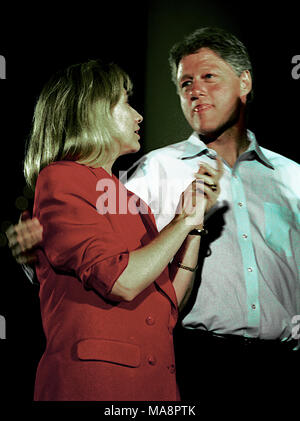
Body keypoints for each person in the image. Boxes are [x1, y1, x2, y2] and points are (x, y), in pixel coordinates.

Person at [7, 27, 300, 403]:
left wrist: (193, 224)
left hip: (250, 364)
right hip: (185, 364)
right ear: (93, 111)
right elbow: (102, 267)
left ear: (245, 82)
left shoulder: (293, 176)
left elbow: (163, 297)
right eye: (185, 82)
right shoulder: (147, 171)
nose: (195, 89)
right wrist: (32, 258)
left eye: (209, 76)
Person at [6, 59, 222, 401]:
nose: (138, 116)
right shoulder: (61, 178)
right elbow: (122, 281)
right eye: (125, 101)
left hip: (157, 391)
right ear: (91, 111)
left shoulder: (133, 202)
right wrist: (181, 222)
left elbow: (168, 306)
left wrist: (193, 224)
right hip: (95, 388)